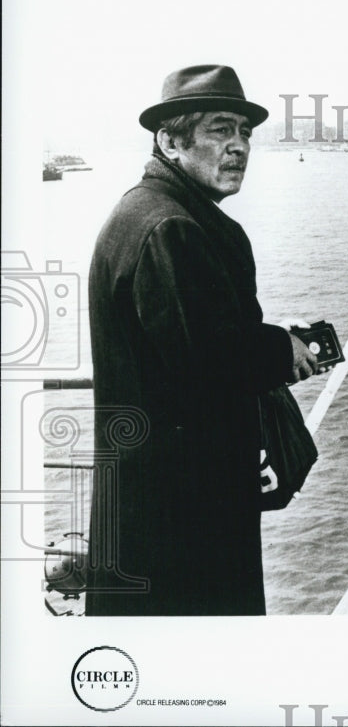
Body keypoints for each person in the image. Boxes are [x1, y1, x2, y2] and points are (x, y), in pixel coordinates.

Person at [86, 65, 319, 615]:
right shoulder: (172, 228)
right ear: (170, 140)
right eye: (220, 130)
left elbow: (188, 338)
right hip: (183, 514)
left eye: (245, 133)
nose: (239, 146)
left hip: (154, 502)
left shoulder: (149, 212)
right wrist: (279, 349)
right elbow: (209, 361)